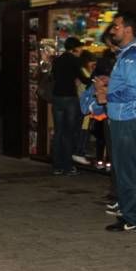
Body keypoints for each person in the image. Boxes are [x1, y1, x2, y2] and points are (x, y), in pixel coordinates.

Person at [89, 13, 136, 232]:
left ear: (128, 30)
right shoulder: (129, 54)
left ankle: (131, 217)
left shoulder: (132, 56)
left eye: (116, 26)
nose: (112, 30)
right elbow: (129, 83)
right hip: (127, 118)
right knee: (130, 168)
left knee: (125, 169)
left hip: (128, 118)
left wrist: (107, 96)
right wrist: (110, 81)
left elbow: (134, 91)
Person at [51, 36, 87, 175]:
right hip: (70, 98)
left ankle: (57, 166)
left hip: (57, 97)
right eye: (79, 46)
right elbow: (83, 78)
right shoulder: (74, 60)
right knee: (69, 133)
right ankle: (67, 165)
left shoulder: (58, 60)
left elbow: (54, 76)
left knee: (59, 132)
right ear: (75, 48)